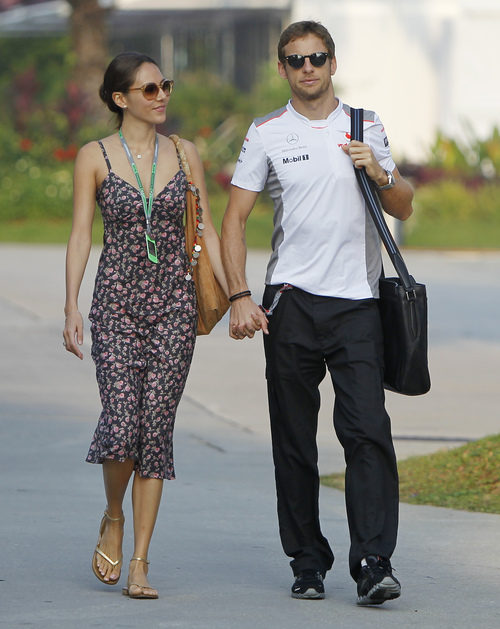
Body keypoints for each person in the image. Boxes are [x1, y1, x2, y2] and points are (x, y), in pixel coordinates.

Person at [221, 21, 413, 605]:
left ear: (333, 62)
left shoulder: (364, 124)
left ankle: (374, 561)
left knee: (367, 433)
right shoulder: (266, 133)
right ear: (282, 67)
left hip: (358, 300)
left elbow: (404, 201)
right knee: (295, 440)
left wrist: (379, 171)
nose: (308, 68)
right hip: (289, 305)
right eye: (296, 59)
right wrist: (239, 295)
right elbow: (234, 221)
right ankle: (307, 560)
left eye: (317, 57)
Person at [63, 51, 227, 599]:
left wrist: (241, 295)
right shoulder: (94, 156)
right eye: (150, 89)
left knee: (155, 429)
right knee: (120, 424)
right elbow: (82, 235)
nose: (162, 97)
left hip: (174, 307)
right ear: (120, 98)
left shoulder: (185, 154)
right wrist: (71, 306)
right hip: (115, 305)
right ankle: (114, 514)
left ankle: (139, 562)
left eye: (165, 86)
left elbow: (206, 231)